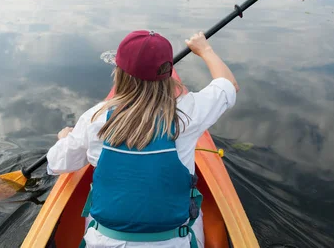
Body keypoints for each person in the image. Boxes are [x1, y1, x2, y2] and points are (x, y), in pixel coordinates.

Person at [47, 30, 239, 248]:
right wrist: (205, 50)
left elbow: (56, 165)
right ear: (167, 74)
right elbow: (229, 84)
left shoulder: (95, 119)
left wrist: (65, 138)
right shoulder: (189, 113)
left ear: (118, 72)